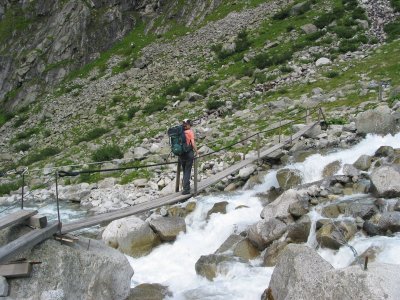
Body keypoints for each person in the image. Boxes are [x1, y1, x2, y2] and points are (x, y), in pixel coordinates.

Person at [179, 119, 199, 195]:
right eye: (190, 124)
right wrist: (197, 152)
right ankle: (186, 189)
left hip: (181, 154)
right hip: (188, 153)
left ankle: (185, 187)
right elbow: (193, 144)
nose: (190, 126)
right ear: (189, 125)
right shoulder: (190, 132)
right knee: (187, 171)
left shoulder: (180, 132)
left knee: (184, 171)